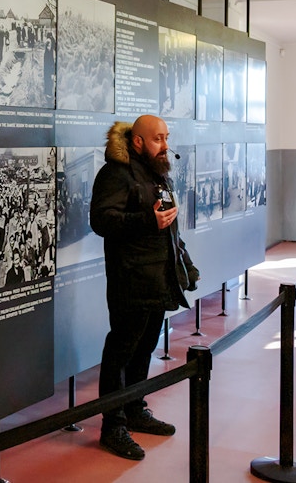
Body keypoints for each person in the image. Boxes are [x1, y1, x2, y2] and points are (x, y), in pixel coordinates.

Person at [89, 115, 200, 461]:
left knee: (145, 347)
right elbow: (101, 220)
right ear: (137, 142)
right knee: (121, 350)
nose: (165, 145)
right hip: (130, 280)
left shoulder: (156, 174)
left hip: (157, 280)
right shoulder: (115, 173)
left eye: (166, 138)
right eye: (157, 139)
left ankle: (135, 408)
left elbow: (169, 229)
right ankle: (113, 426)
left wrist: (187, 265)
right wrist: (145, 220)